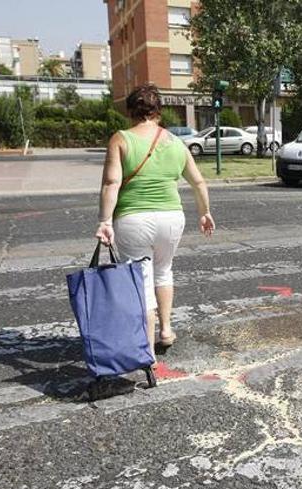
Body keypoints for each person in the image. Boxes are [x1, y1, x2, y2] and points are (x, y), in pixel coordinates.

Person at [95, 83, 214, 362]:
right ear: (159, 110)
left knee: (141, 281)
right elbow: (197, 181)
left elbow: (112, 182)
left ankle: (146, 350)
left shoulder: (121, 139)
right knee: (163, 271)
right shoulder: (176, 142)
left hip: (133, 219)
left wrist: (105, 220)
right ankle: (166, 330)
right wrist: (204, 212)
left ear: (130, 110)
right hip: (172, 218)